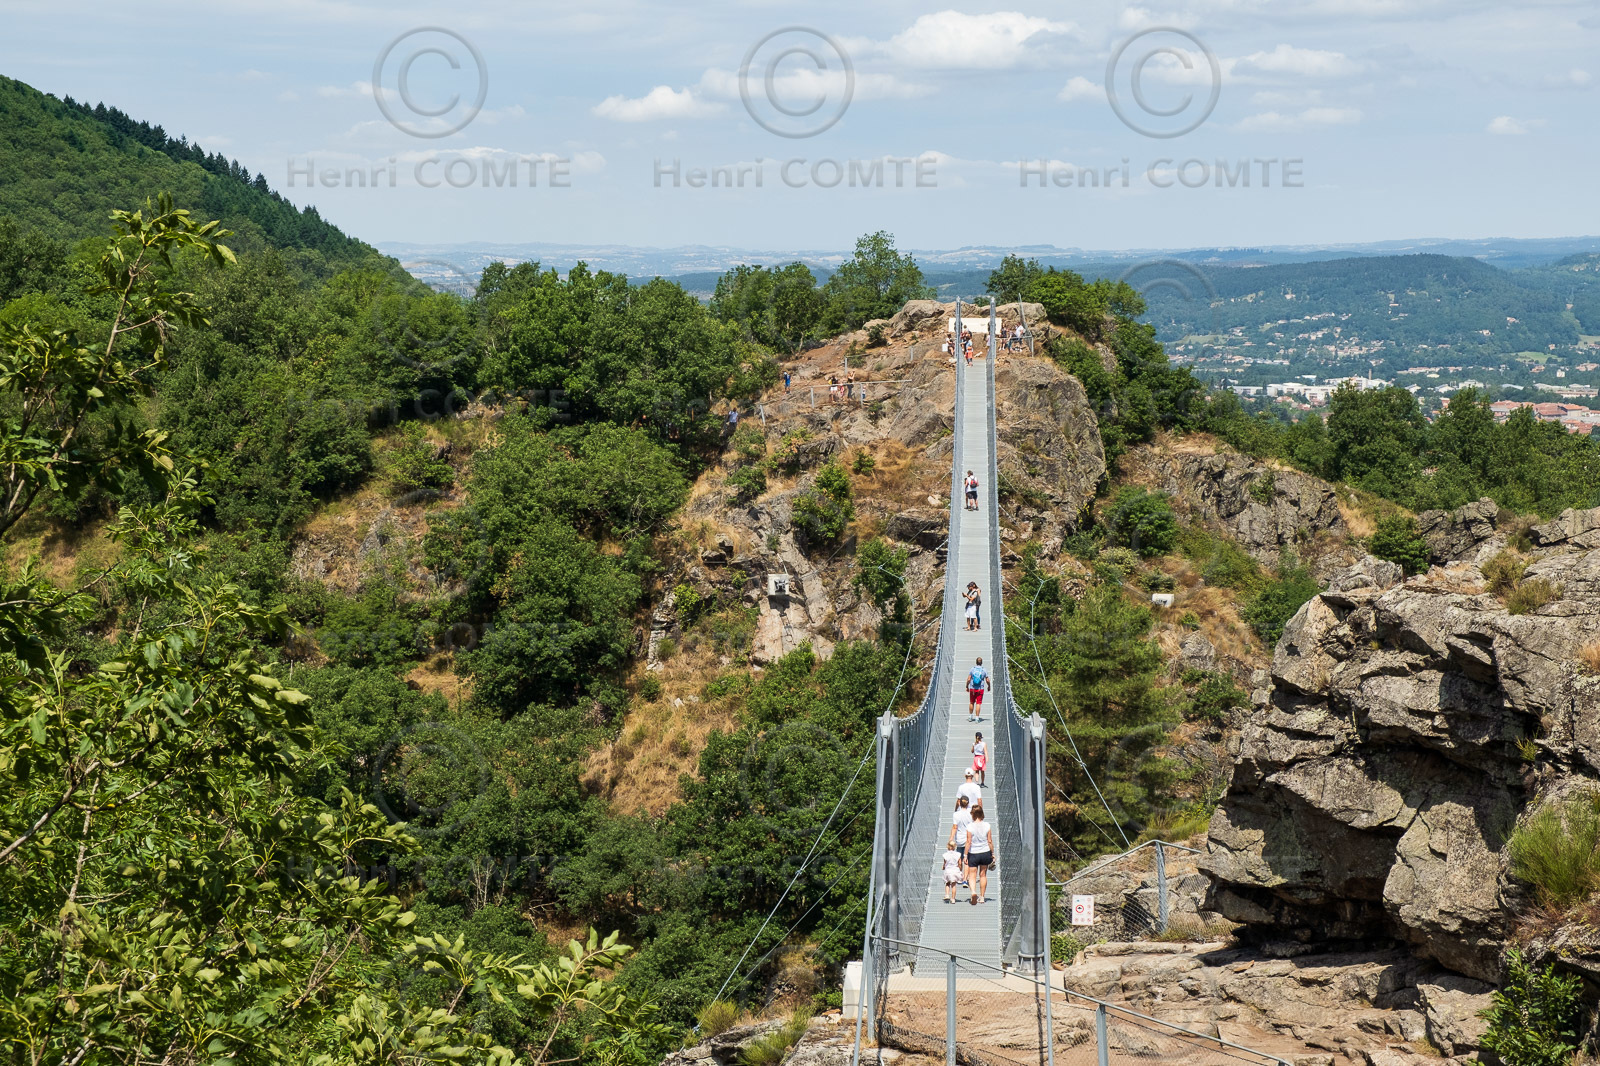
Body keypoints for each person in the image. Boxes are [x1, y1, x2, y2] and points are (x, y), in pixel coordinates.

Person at [964, 803, 995, 905]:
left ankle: (973, 892)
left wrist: (965, 855)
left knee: (972, 875)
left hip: (973, 853)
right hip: (985, 852)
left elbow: (968, 842)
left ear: (972, 814)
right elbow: (989, 841)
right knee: (983, 875)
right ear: (982, 813)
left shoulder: (969, 827)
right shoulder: (987, 825)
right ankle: (982, 897)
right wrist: (992, 853)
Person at [948, 794, 972, 888]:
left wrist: (951, 838)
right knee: (967, 860)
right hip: (969, 839)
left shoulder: (956, 814)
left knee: (960, 860)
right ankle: (965, 880)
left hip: (959, 840)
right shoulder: (971, 813)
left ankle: (960, 877)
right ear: (968, 803)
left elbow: (955, 827)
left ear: (959, 803)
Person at [967, 656, 990, 721]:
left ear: (976, 662)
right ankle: (977, 718)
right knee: (978, 703)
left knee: (971, 702)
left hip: (972, 688)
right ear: (981, 663)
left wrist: (967, 686)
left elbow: (969, 679)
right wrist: (989, 686)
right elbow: (987, 680)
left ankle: (970, 717)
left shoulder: (972, 669)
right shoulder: (984, 670)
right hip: (980, 689)